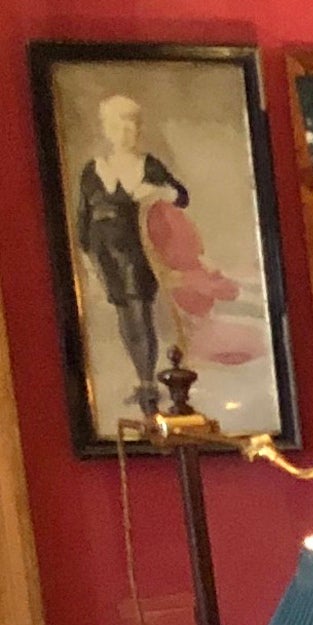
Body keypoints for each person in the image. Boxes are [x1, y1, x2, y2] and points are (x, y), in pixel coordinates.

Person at [72, 94, 187, 425]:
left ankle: (149, 381)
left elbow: (181, 195)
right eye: (117, 123)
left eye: (131, 123)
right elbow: (82, 219)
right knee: (124, 314)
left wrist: (157, 192)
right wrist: (88, 259)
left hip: (137, 251)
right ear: (106, 128)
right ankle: (141, 377)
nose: (125, 130)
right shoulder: (93, 170)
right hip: (104, 253)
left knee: (140, 311)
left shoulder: (148, 166)